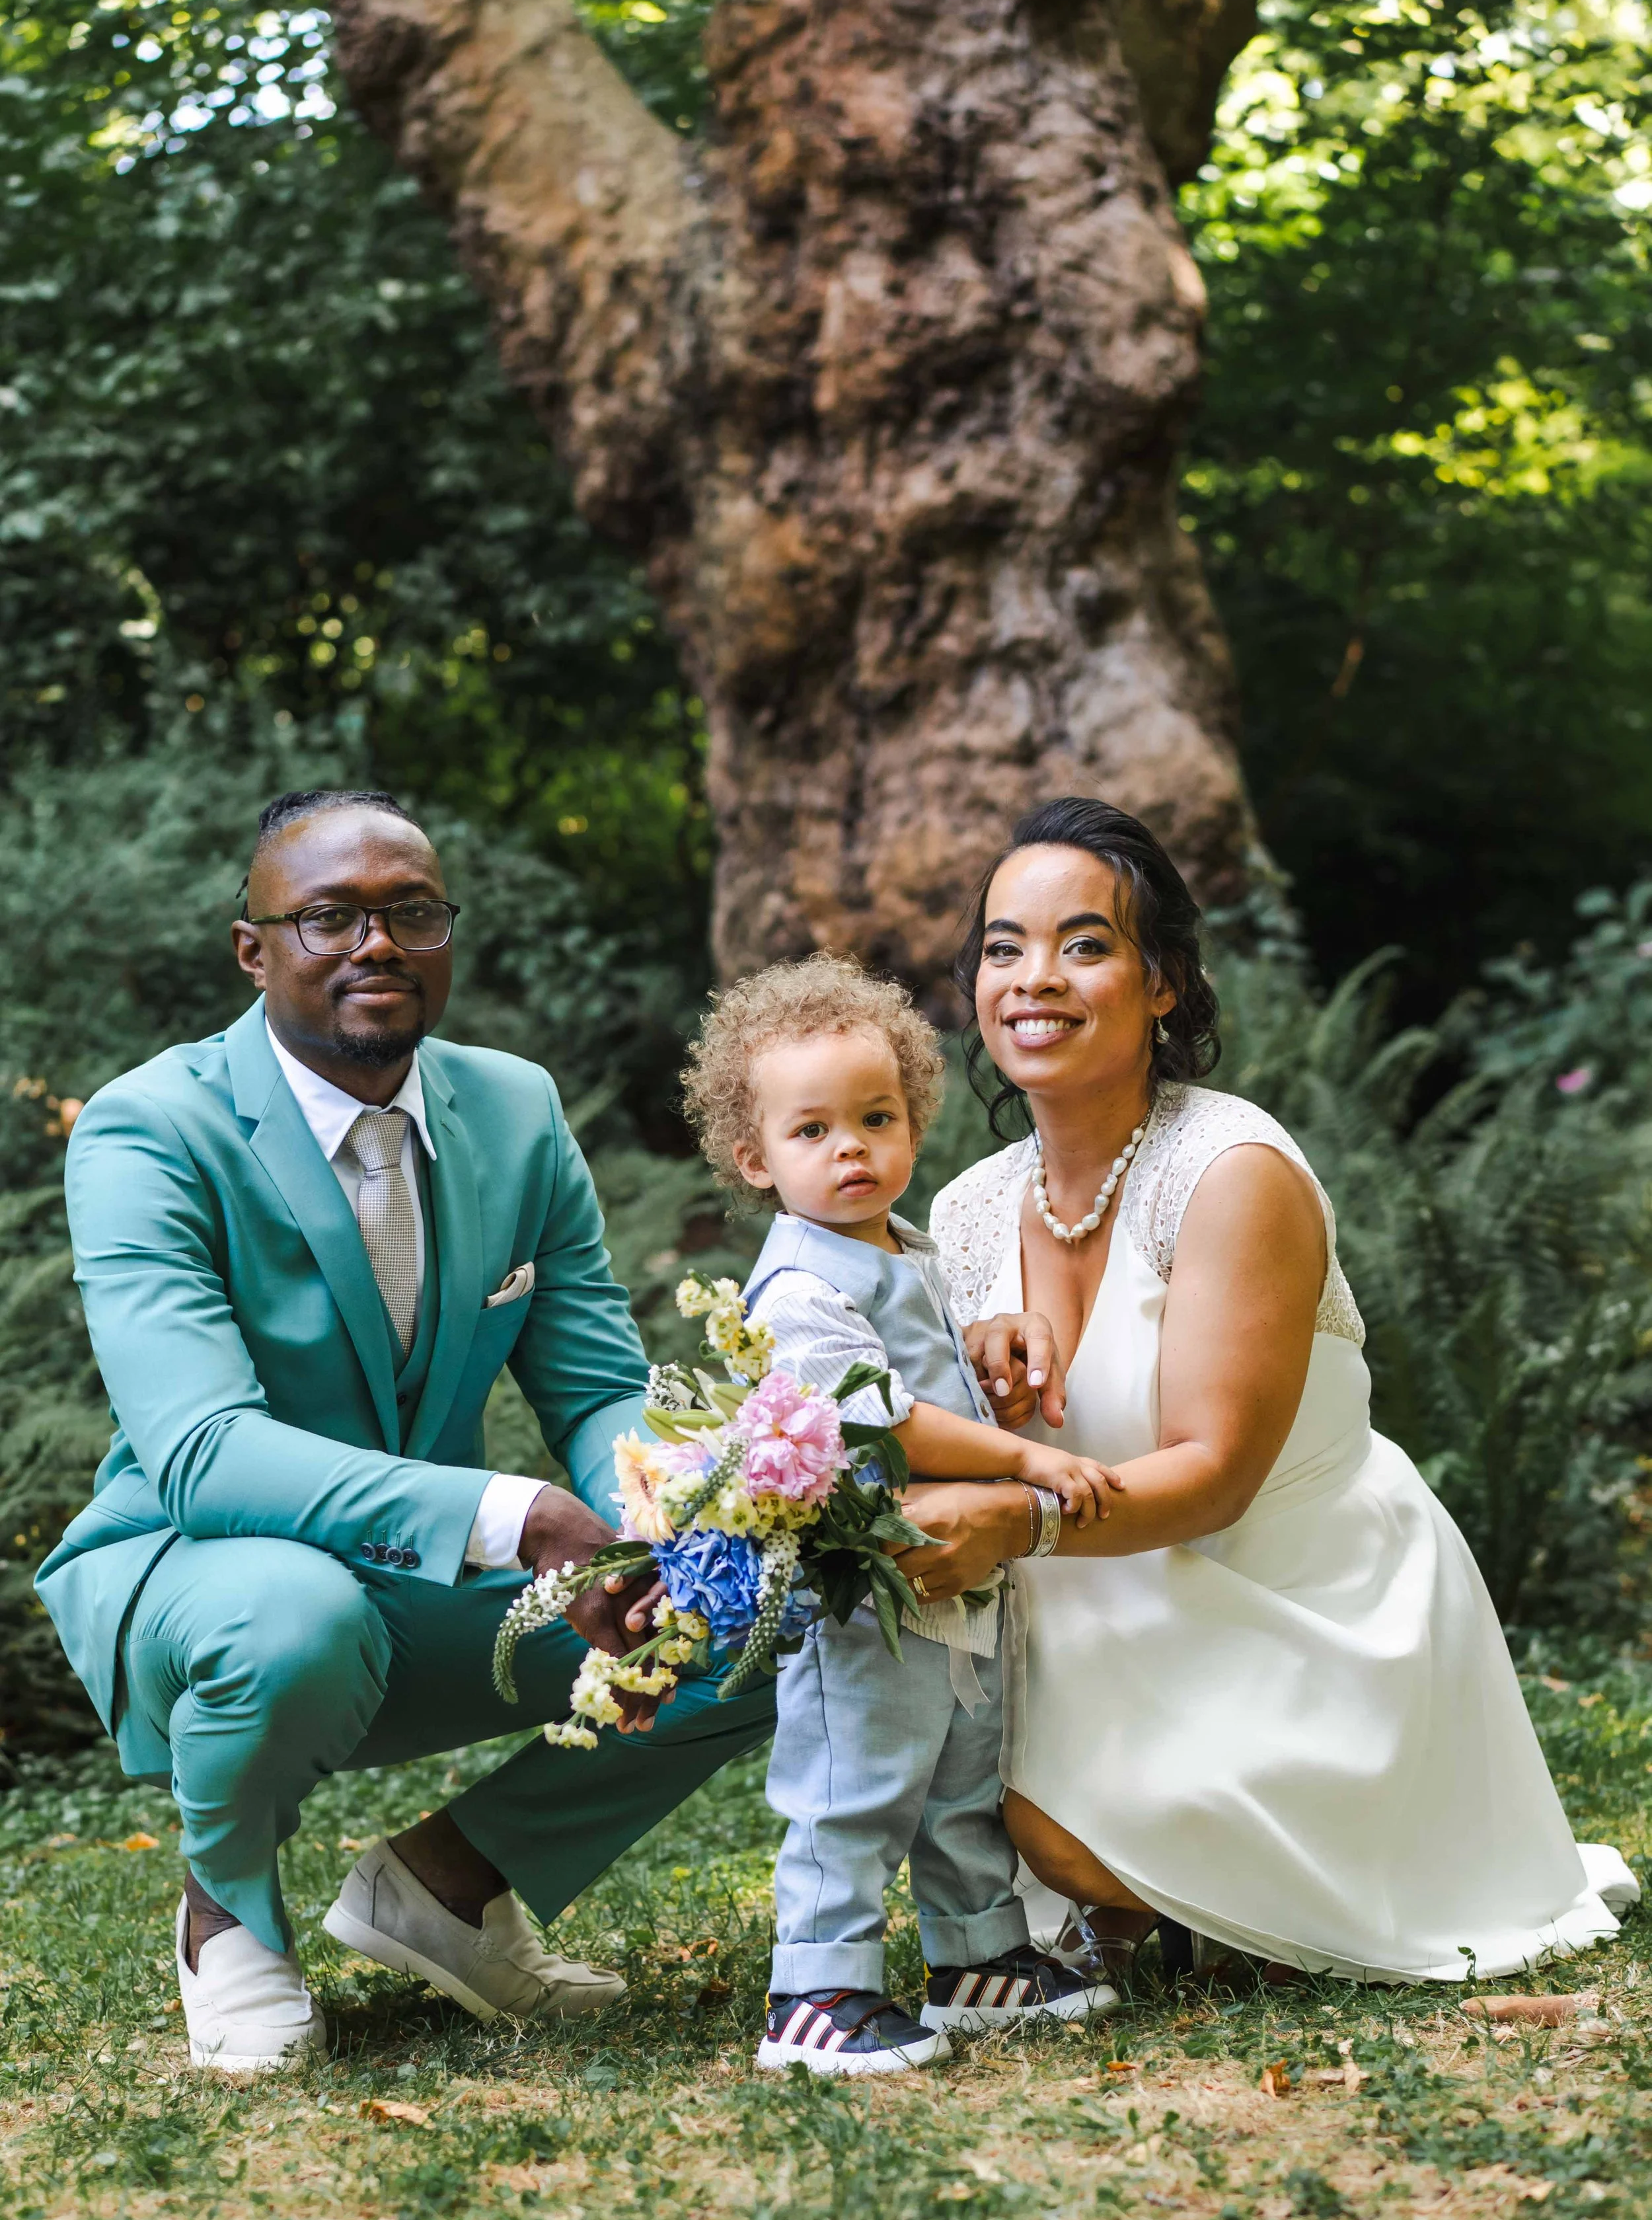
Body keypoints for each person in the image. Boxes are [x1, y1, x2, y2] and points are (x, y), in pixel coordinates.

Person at [36, 788, 774, 2073]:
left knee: (761, 1608)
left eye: (410, 913)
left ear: (445, 935)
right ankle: (229, 1915)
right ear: (251, 949)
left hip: (416, 1587)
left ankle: (448, 1886)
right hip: (199, 1575)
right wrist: (517, 1517)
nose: (376, 944)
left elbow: (594, 1383)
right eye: (329, 917)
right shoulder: (148, 1129)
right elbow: (204, 1449)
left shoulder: (513, 1110)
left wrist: (662, 1512)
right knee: (294, 1615)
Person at [894, 796, 1637, 1985]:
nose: (1035, 977)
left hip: (1312, 1611)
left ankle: (1233, 1875)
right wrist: (975, 1377)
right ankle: (1164, 1887)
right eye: (1003, 946)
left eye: (1085, 944)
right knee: (957, 1745)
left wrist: (1015, 1514)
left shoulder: (1232, 1169)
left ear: (1165, 985)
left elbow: (1219, 1475)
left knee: (1030, 1825)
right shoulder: (968, 1210)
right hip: (1111, 1605)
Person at [680, 956, 1115, 2073]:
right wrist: (1020, 1453)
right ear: (755, 1158)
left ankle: (979, 1958)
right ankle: (817, 1992)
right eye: (813, 1130)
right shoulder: (795, 1284)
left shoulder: (907, 1248)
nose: (852, 1149)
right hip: (861, 1588)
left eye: (877, 1117)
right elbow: (882, 1415)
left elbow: (932, 1353)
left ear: (914, 1119)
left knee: (963, 1771)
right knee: (855, 1788)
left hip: (949, 1577)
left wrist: (982, 1346)